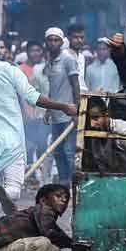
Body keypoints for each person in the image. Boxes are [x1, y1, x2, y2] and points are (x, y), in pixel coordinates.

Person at [0, 5, 78, 218]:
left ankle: (1, 226)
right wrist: (63, 106)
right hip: (10, 140)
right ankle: (6, 200)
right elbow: (34, 97)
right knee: (13, 189)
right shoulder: (11, 71)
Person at [43, 27, 81, 184]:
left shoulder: (68, 59)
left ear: (61, 41)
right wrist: (48, 110)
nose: (53, 43)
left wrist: (77, 111)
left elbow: (75, 85)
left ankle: (75, 185)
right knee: (58, 152)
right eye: (50, 40)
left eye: (56, 40)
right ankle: (64, 183)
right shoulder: (50, 61)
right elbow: (53, 88)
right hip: (56, 114)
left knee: (69, 152)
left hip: (69, 113)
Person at [20, 40, 52, 186]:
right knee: (28, 144)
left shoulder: (46, 68)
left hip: (43, 113)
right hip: (26, 113)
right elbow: (21, 94)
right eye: (32, 50)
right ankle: (30, 172)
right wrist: (25, 111)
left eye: (38, 50)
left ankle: (41, 172)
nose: (35, 53)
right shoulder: (21, 69)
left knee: (42, 142)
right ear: (27, 52)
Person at [66, 23, 88, 91]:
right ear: (68, 37)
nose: (79, 40)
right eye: (75, 37)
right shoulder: (64, 56)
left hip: (82, 98)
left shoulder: (82, 58)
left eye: (81, 37)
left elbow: (82, 83)